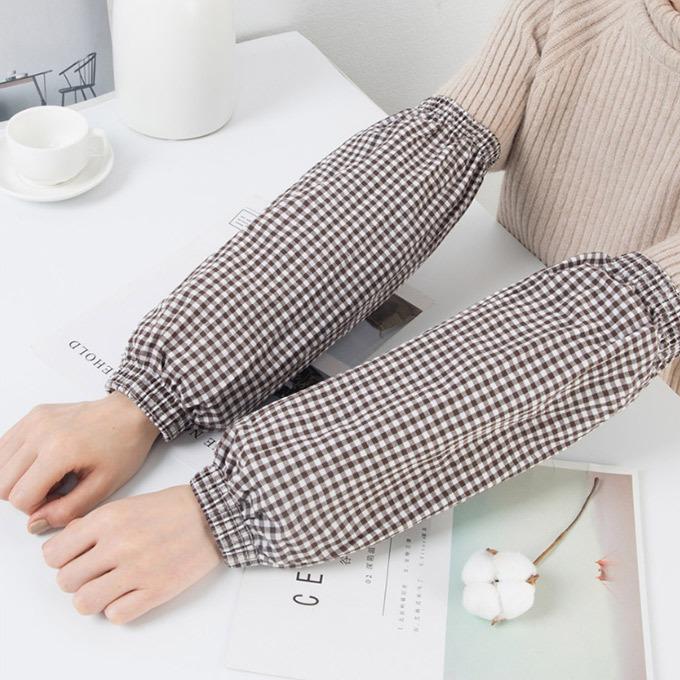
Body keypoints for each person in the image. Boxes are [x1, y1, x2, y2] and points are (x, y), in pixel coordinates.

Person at [1, 0, 679, 625]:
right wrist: (146, 398)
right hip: (527, 286)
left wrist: (229, 509)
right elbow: (422, 158)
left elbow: (628, 311)